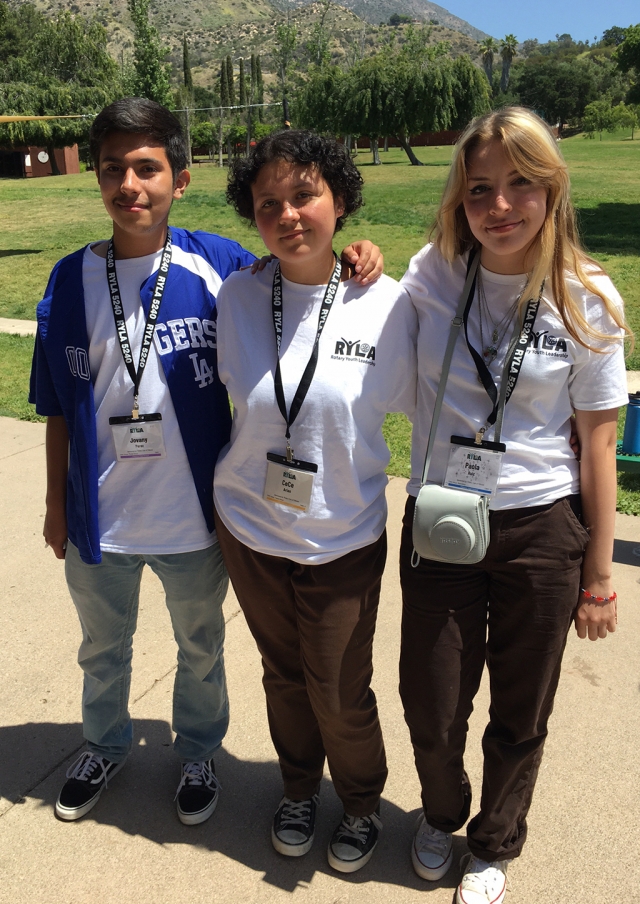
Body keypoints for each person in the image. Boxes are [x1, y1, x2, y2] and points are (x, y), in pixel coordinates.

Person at [28, 97, 383, 826]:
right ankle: (103, 742)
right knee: (101, 648)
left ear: (179, 180)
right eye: (112, 169)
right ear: (96, 180)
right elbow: (55, 403)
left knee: (200, 647)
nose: (130, 184)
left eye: (147, 168)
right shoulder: (69, 280)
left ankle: (197, 753)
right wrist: (56, 503)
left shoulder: (219, 264)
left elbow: (297, 272)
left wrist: (356, 254)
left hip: (194, 515)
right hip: (103, 519)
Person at [398, 107, 629, 904]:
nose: (501, 206)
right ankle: (442, 810)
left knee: (521, 704)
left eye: (521, 184)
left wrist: (599, 574)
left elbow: (598, 444)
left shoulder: (587, 293)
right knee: (429, 700)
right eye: (480, 189)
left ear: (552, 187)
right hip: (442, 518)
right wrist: (353, 259)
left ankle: (494, 841)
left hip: (541, 527)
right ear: (459, 200)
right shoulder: (432, 273)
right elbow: (369, 329)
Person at [212, 130, 417, 872]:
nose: (288, 213)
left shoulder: (385, 304)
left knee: (337, 686)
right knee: (282, 674)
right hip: (249, 524)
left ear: (339, 200)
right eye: (269, 203)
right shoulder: (237, 294)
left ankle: (360, 801)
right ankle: (298, 788)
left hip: (341, 537)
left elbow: (428, 407)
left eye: (304, 194)